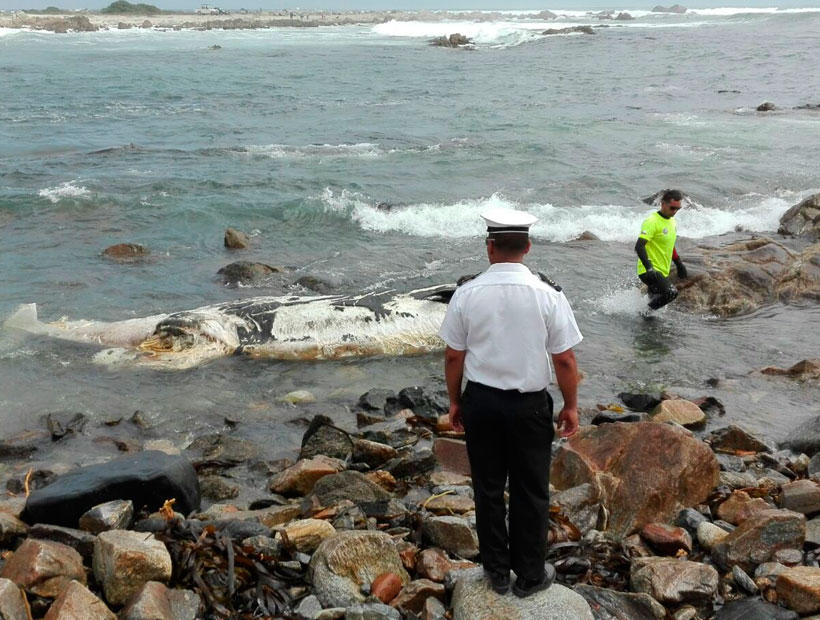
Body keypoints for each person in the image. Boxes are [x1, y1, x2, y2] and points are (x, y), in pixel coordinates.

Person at [438, 208, 583, 599]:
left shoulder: (467, 293)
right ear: (528, 247)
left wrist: (455, 402)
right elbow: (565, 359)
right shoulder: (548, 294)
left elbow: (455, 355)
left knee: (487, 488)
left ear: (489, 247)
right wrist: (570, 405)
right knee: (531, 489)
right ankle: (532, 574)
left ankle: (497, 572)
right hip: (531, 406)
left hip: (482, 403)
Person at [635, 189, 688, 310]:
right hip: (648, 270)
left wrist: (679, 264)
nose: (675, 212)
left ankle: (643, 320)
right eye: (672, 208)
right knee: (671, 293)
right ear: (663, 204)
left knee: (654, 299)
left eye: (677, 209)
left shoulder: (672, 221)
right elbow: (639, 246)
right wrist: (649, 267)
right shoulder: (652, 221)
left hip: (663, 270)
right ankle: (645, 313)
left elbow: (669, 245)